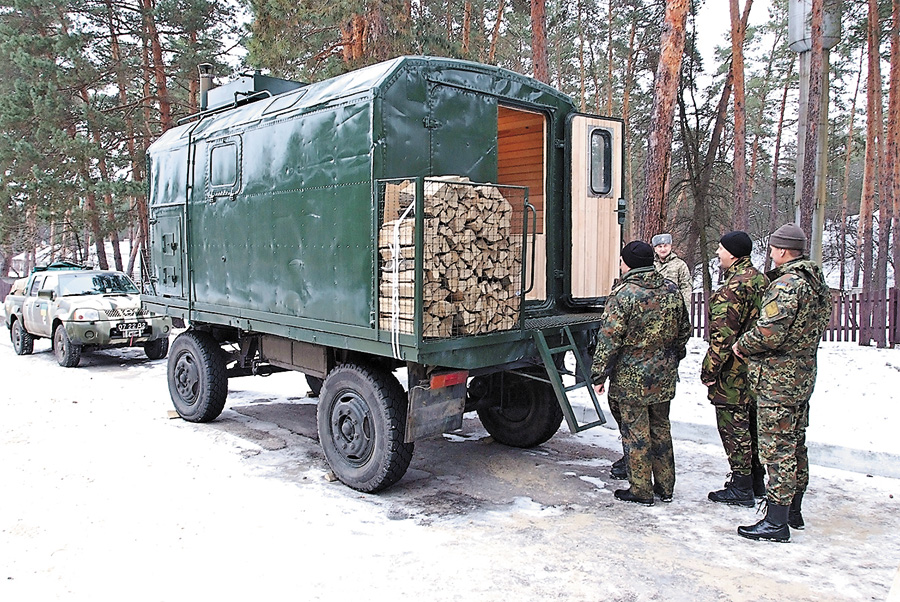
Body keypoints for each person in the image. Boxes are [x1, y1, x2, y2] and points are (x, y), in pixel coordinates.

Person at [732, 223, 831, 542]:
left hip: (778, 380)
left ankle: (776, 521)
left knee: (777, 448)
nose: (770, 253)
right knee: (795, 442)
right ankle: (793, 510)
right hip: (801, 376)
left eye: (773, 248)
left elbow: (768, 333)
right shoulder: (814, 281)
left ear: (784, 251)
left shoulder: (787, 284)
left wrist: (741, 345)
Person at [591, 241, 692, 506]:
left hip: (631, 379)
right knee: (660, 428)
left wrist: (599, 375)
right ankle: (666, 488)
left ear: (628, 264)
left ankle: (641, 490)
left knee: (636, 433)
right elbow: (684, 330)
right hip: (664, 375)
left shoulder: (624, 293)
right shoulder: (671, 288)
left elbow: (609, 338)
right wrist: (671, 357)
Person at [701, 231, 769, 507]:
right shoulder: (762, 280)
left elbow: (722, 338)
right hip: (757, 369)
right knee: (751, 423)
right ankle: (755, 480)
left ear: (733, 253)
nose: (718, 253)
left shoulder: (731, 288)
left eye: (720, 249)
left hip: (733, 372)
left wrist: (709, 372)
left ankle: (741, 486)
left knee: (733, 426)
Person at [652, 233, 693, 311]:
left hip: (673, 308)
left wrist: (683, 308)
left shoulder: (680, 265)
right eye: (659, 246)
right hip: (654, 308)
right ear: (655, 249)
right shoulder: (650, 264)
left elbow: (686, 287)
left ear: (670, 246)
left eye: (665, 246)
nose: (663, 249)